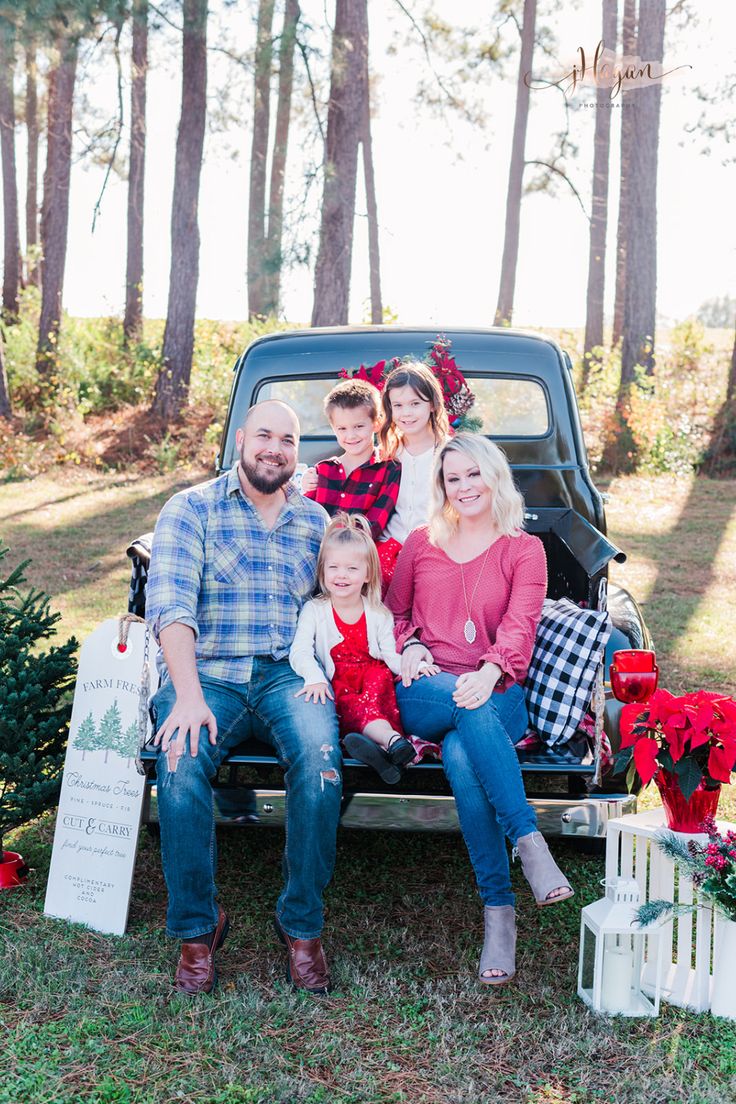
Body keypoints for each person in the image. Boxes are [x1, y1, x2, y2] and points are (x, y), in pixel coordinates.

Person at [145, 399, 341, 997]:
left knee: (321, 766)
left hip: (290, 674)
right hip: (208, 676)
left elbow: (339, 604)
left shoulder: (315, 522)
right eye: (264, 435)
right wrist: (184, 696)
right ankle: (198, 932)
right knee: (178, 764)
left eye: (288, 439)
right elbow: (170, 607)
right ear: (239, 440)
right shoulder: (191, 508)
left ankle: (301, 925)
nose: (275, 448)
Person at [386, 432, 573, 987]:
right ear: (441, 487)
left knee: (466, 754)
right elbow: (391, 615)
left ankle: (499, 913)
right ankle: (529, 843)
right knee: (463, 706)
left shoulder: (524, 549)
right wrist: (411, 645)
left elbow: (521, 626)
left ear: (494, 477)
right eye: (453, 478)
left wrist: (489, 672)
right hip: (427, 685)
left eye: (473, 474)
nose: (464, 487)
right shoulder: (421, 542)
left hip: (499, 689)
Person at [289, 513, 417, 784]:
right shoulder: (315, 610)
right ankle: (393, 746)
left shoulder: (378, 613)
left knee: (373, 685)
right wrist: (314, 678)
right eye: (333, 567)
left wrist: (412, 665)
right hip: (338, 683)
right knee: (349, 703)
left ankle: (383, 745)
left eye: (351, 569)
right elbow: (300, 650)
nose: (341, 576)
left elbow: (389, 654)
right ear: (322, 570)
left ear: (368, 573)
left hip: (373, 681)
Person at [376, 360, 451, 585]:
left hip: (435, 552)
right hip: (388, 551)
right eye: (397, 405)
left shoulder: (449, 452)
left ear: (432, 405)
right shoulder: (388, 452)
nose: (406, 413)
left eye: (415, 403)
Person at [300, 378, 401, 540]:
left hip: (360, 559)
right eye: (342, 428)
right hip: (323, 558)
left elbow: (374, 525)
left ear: (377, 423)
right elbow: (308, 521)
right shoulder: (323, 470)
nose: (351, 436)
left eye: (359, 426)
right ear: (333, 428)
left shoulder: (388, 469)